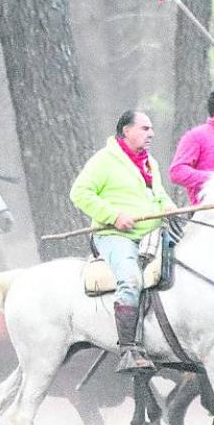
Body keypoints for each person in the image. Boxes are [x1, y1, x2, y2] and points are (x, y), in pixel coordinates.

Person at [71, 109, 175, 371]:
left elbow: (159, 196)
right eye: (144, 128)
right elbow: (79, 193)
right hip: (114, 235)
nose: (151, 133)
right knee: (130, 279)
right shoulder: (104, 160)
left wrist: (172, 211)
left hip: (151, 234)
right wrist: (114, 216)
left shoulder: (150, 162)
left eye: (151, 129)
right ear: (126, 131)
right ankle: (129, 349)